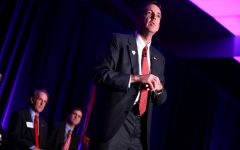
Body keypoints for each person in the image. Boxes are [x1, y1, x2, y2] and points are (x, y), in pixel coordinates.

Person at [87, 1, 167, 150]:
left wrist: (159, 89)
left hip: (140, 130)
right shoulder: (118, 41)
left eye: (158, 16)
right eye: (150, 13)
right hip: (114, 125)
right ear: (138, 17)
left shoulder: (159, 58)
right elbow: (99, 73)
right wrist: (136, 78)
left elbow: (161, 99)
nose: (154, 17)